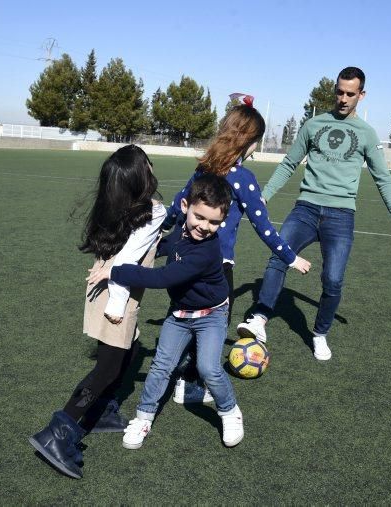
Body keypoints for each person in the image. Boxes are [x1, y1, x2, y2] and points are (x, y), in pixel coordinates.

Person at [237, 67, 391, 360]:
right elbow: (288, 164)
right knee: (278, 256)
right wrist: (264, 196)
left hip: (341, 215)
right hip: (305, 209)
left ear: (361, 95)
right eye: (339, 92)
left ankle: (319, 333)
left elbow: (383, 177)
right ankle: (260, 318)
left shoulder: (367, 134)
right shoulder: (313, 125)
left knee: (333, 279)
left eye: (350, 94)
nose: (343, 99)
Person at [28, 145, 165, 479]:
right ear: (139, 179)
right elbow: (126, 261)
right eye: (147, 165)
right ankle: (58, 432)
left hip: (101, 291)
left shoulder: (118, 210)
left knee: (129, 353)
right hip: (116, 296)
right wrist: (118, 308)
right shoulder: (154, 211)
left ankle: (101, 409)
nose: (151, 166)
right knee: (105, 370)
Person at [161, 100, 312, 403]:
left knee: (181, 320)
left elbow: (175, 212)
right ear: (248, 141)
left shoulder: (202, 171)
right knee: (210, 328)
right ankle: (188, 386)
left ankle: (172, 379)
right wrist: (291, 257)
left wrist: (148, 227)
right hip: (215, 268)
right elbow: (265, 228)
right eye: (256, 140)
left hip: (180, 262)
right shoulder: (244, 179)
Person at [87, 173, 244, 449]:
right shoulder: (182, 234)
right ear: (185, 207)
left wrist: (116, 270)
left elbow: (162, 279)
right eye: (200, 217)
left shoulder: (205, 252)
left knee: (208, 368)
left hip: (211, 315)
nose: (205, 226)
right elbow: (162, 246)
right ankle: (143, 417)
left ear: (223, 221)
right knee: (161, 367)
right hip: (181, 313)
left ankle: (229, 410)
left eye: (214, 222)